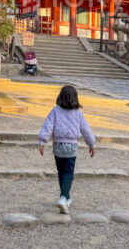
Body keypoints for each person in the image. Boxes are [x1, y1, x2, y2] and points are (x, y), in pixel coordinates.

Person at [38, 85, 96, 214]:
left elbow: (48, 126)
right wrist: (91, 144)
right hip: (71, 147)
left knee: (61, 172)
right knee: (69, 173)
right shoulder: (78, 113)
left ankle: (67, 197)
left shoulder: (55, 111)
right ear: (75, 98)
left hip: (58, 146)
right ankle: (63, 197)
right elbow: (86, 130)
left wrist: (42, 141)